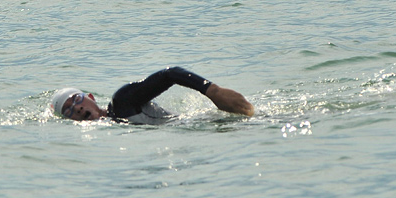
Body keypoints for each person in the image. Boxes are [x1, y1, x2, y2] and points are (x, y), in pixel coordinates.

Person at [51, 66, 254, 124]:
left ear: (91, 98)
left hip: (212, 122)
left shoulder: (122, 102)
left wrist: (213, 91)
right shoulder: (111, 126)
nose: (76, 108)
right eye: (69, 111)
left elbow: (170, 74)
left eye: (76, 100)